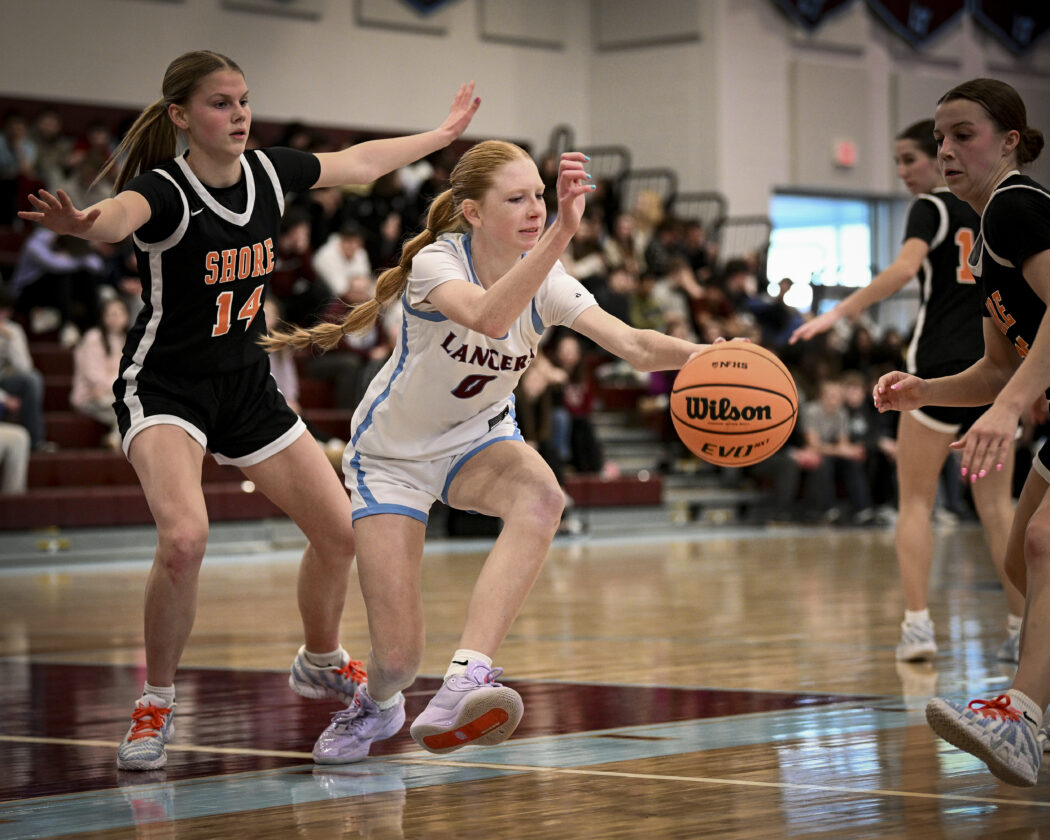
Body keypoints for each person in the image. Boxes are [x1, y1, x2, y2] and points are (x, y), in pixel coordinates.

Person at [18, 49, 480, 772]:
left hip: (244, 385)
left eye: (243, 101)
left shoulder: (267, 172)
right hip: (165, 386)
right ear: (180, 116)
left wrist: (441, 135)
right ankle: (155, 701)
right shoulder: (164, 190)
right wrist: (82, 224)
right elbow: (116, 217)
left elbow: (359, 163)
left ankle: (321, 660)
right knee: (185, 539)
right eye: (220, 103)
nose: (238, 115)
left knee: (340, 534)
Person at [264, 141, 711, 764]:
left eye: (540, 196)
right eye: (517, 199)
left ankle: (465, 679)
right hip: (393, 458)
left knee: (543, 498)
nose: (536, 209)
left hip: (477, 439)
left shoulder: (549, 279)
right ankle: (377, 704)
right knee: (396, 661)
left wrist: (706, 355)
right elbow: (489, 317)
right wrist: (561, 233)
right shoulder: (437, 263)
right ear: (473, 212)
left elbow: (634, 346)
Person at [792, 119, 1022, 662]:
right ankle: (1022, 628)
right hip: (999, 369)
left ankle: (918, 627)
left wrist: (838, 312)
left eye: (910, 159)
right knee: (997, 509)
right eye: (897, 161)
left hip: (936, 372)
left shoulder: (931, 207)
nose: (903, 171)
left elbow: (903, 269)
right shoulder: (997, 209)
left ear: (941, 156)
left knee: (914, 502)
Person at [873, 78, 1048, 787]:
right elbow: (998, 363)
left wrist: (1008, 408)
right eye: (940, 137)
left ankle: (1023, 717)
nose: (945, 149)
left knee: (1042, 542)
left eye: (962, 135)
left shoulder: (1016, 206)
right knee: (1021, 561)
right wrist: (927, 390)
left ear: (1009, 141)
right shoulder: (981, 239)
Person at [70, 296, 130, 449]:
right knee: (126, 409)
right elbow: (92, 374)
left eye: (119, 313)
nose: (115, 318)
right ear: (103, 317)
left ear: (127, 316)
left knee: (128, 409)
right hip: (91, 394)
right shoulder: (93, 337)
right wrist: (116, 385)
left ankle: (114, 439)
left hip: (114, 393)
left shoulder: (128, 339)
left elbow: (128, 372)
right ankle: (115, 440)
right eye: (111, 314)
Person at [0, 286, 48, 451]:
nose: (2, 316)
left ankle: (35, 441)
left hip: (6, 379)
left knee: (33, 379)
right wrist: (4, 398)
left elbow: (25, 367)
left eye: (5, 312)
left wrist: (11, 340)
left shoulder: (14, 330)